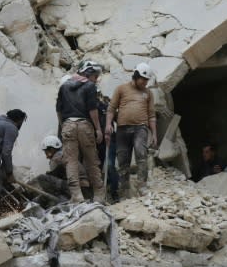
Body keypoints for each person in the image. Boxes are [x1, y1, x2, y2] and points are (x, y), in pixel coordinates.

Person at [55, 60, 106, 203]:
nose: (96, 80)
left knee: (70, 162)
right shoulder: (90, 86)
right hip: (85, 126)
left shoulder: (64, 86)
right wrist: (98, 129)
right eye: (95, 76)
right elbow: (92, 110)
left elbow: (58, 110)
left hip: (68, 125)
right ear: (88, 73)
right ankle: (99, 195)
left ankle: (77, 195)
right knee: (92, 161)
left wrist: (63, 125)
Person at [106, 62, 157, 198]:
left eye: (147, 80)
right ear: (135, 76)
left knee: (141, 154)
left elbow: (151, 115)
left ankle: (142, 186)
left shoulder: (148, 93)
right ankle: (124, 190)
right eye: (143, 79)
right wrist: (108, 124)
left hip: (141, 128)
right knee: (123, 160)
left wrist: (154, 134)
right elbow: (111, 108)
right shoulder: (121, 89)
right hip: (122, 129)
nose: (145, 83)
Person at [35, 135, 89, 202]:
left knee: (41, 178)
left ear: (51, 149)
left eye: (46, 152)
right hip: (84, 190)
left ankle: (62, 200)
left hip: (76, 189)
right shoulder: (65, 154)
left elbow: (52, 181)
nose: (46, 156)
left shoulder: (56, 158)